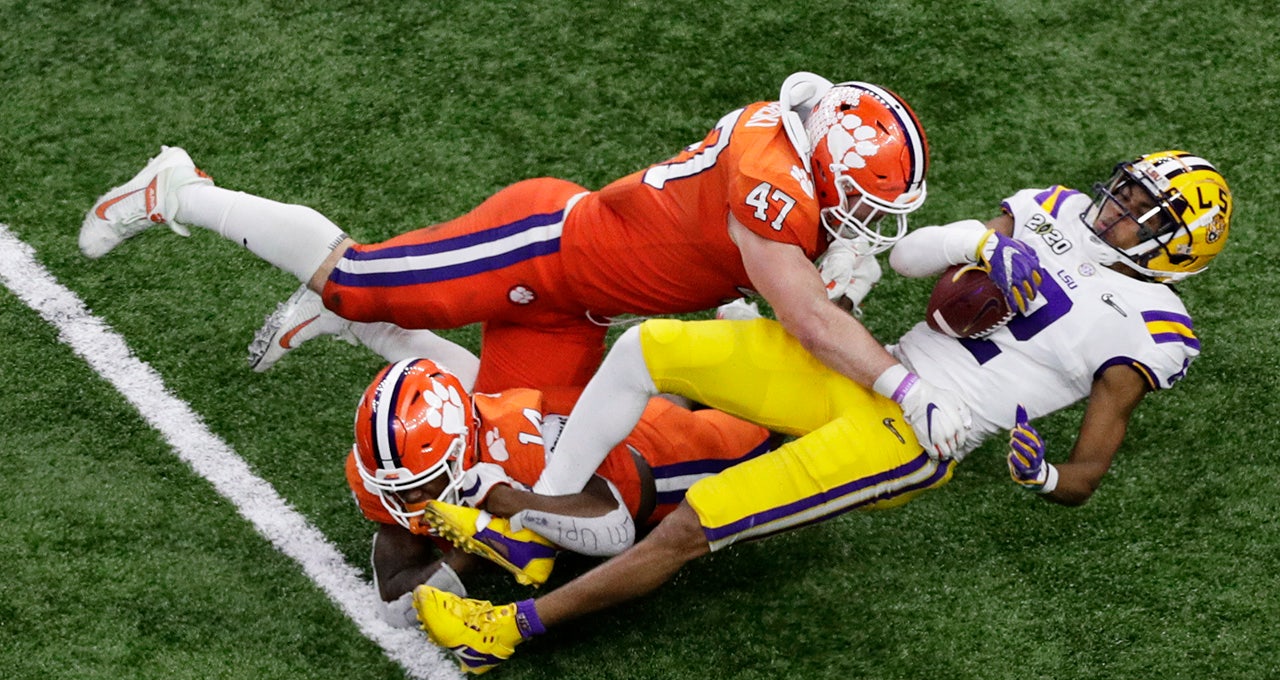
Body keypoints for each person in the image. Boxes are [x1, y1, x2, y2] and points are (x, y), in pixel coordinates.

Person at [410, 150, 1233, 674]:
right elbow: (911, 258)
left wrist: (1043, 471)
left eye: (1142, 210)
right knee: (649, 348)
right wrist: (976, 245)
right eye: (1126, 188)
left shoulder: (1152, 327)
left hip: (914, 435)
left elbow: (1087, 474)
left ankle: (507, 630)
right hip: (880, 373)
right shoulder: (1048, 208)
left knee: (699, 521)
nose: (1115, 206)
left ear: (1178, 247)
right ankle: (529, 532)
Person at [77, 73, 972, 459]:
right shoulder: (771, 184)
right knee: (352, 273)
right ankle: (178, 189)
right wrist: (903, 386)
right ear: (818, 164)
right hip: (543, 250)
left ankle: (375, 325)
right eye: (856, 200)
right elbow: (805, 321)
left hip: (577, 307)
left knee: (514, 441)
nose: (862, 221)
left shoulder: (792, 155)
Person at [348, 356, 775, 627]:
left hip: (652, 459)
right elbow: (397, 605)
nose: (411, 501)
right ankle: (686, 377)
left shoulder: (521, 441)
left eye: (427, 483)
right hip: (600, 417)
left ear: (462, 449)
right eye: (402, 488)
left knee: (763, 431)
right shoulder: (394, 475)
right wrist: (476, 542)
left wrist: (506, 502)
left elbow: (615, 530)